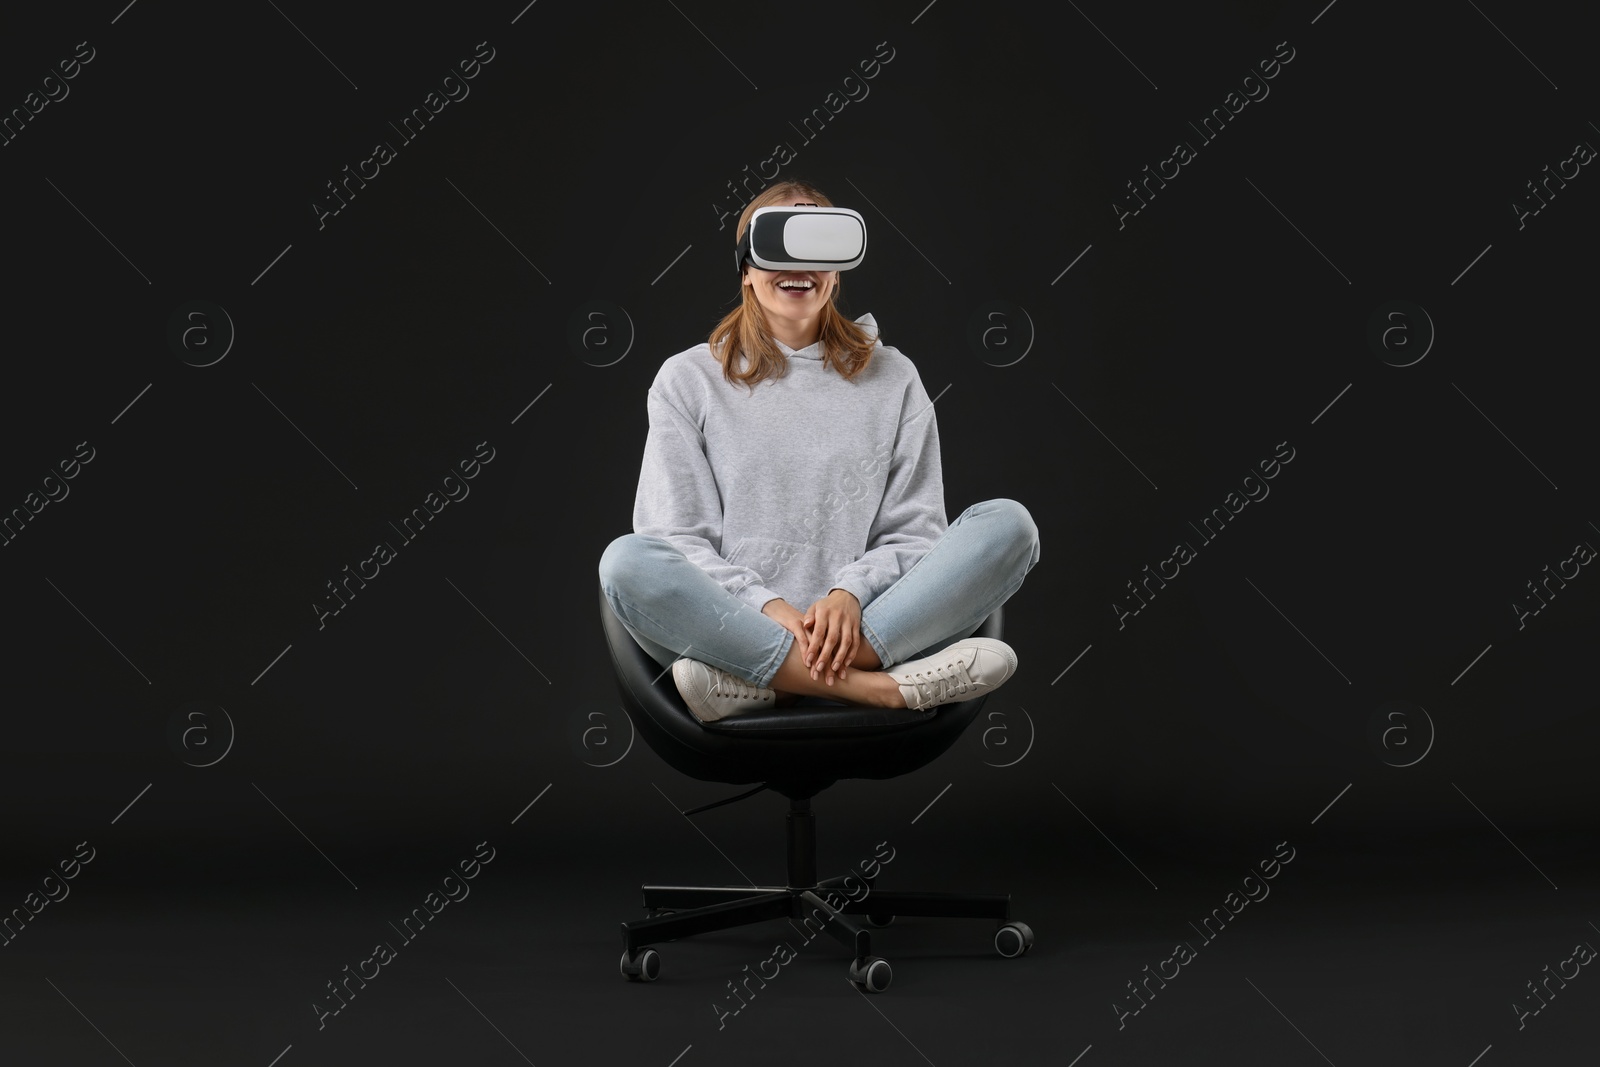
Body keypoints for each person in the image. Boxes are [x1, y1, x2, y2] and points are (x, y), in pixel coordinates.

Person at [598, 179, 1040, 723]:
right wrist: (772, 610)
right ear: (745, 266)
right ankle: (876, 689)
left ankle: (776, 685)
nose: (798, 267)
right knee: (626, 561)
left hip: (870, 623)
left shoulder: (894, 377)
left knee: (1008, 526)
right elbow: (677, 538)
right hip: (728, 624)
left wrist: (849, 594)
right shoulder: (686, 380)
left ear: (837, 267)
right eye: (780, 246)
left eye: (817, 247)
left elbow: (916, 533)